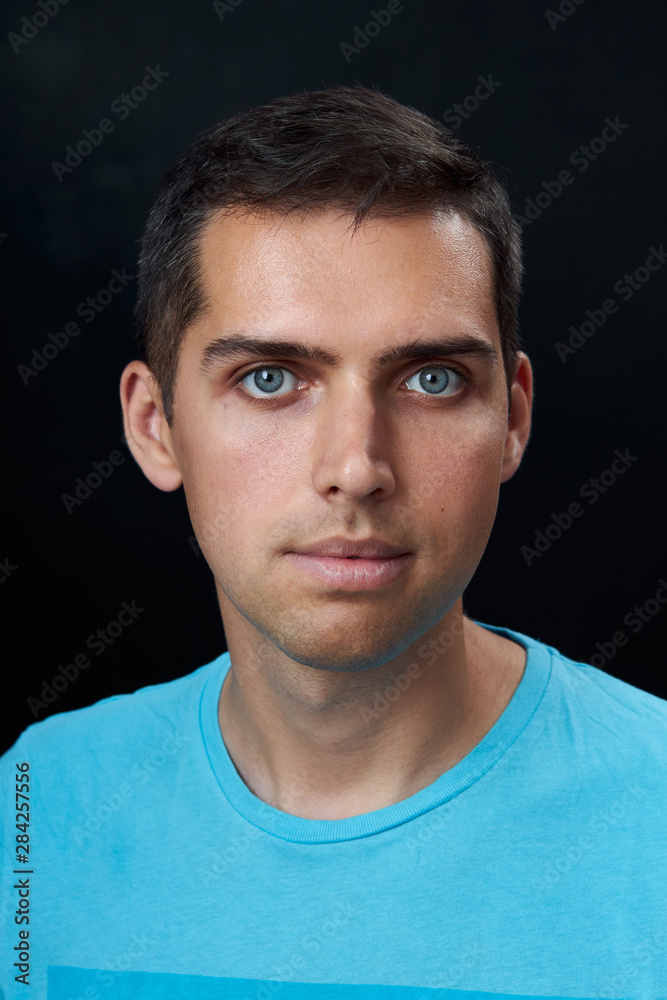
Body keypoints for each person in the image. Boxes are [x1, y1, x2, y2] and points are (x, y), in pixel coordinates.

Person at [1, 84, 665, 1000]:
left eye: (430, 379)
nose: (355, 467)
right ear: (155, 425)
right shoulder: (39, 803)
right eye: (270, 378)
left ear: (512, 418)